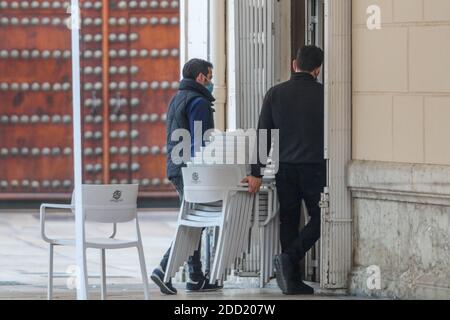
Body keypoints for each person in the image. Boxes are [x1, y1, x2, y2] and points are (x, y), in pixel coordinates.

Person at [244, 45, 326, 295]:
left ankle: (291, 279)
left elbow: (263, 135)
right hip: (315, 167)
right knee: (322, 218)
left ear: (294, 64)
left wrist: (255, 172)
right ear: (318, 69)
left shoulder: (275, 94)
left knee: (288, 220)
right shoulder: (325, 95)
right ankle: (289, 259)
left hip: (285, 168)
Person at [151, 58, 222, 294]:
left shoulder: (178, 97)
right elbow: (201, 144)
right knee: (195, 222)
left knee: (194, 220)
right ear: (201, 77)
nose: (211, 82)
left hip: (177, 167)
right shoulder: (198, 101)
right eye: (210, 77)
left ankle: (195, 276)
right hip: (190, 171)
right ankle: (164, 269)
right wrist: (203, 172)